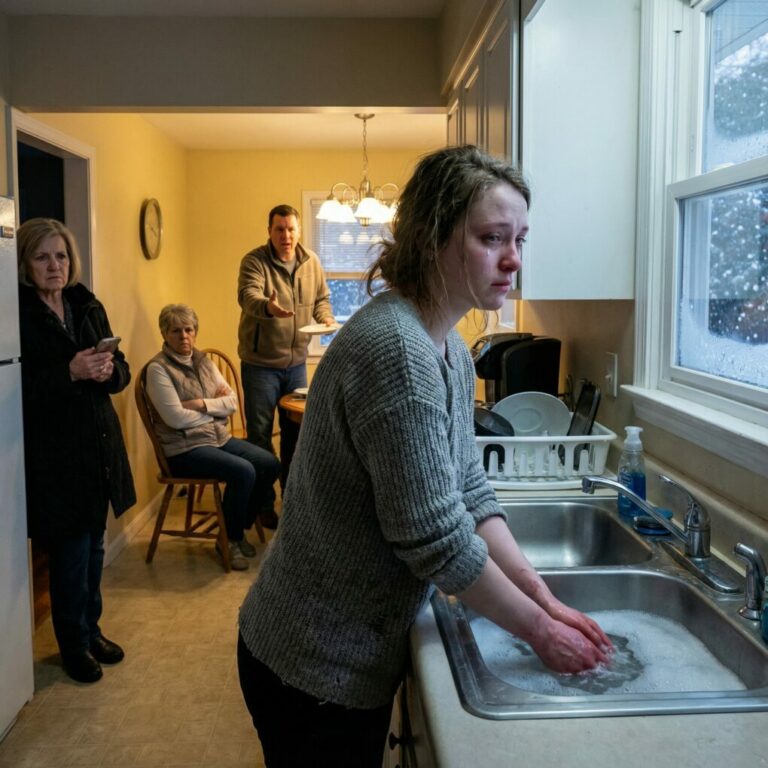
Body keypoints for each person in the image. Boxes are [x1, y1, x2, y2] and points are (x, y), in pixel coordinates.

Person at [237, 146, 613, 767]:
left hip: (336, 653)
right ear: (431, 237)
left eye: (519, 237)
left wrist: (540, 595)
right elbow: (436, 539)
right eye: (493, 237)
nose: (513, 257)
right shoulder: (398, 350)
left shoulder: (449, 352)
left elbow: (470, 492)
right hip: (311, 662)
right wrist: (540, 632)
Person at [17, 218, 136, 685]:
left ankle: (91, 631)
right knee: (69, 554)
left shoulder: (86, 303)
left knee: (94, 550)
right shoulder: (17, 314)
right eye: (42, 257)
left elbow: (122, 372)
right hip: (56, 452)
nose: (54, 265)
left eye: (61, 256)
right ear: (25, 263)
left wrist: (108, 371)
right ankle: (72, 645)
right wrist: (69, 370)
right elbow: (18, 388)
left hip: (99, 445)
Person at [144, 304, 280, 571]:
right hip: (183, 449)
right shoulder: (158, 369)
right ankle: (230, 539)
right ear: (164, 333)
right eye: (176, 331)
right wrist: (215, 411)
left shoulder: (203, 361)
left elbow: (231, 402)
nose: (184, 336)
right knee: (243, 471)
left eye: (189, 330)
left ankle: (235, 525)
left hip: (216, 438)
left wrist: (200, 405)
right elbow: (175, 419)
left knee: (269, 463)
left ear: (195, 332)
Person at [237, 204, 336, 512]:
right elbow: (247, 296)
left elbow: (321, 297)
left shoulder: (311, 262)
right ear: (270, 231)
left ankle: (291, 502)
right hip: (260, 366)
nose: (286, 235)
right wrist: (269, 307)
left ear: (299, 231)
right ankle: (263, 505)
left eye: (291, 229)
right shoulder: (255, 261)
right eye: (279, 229)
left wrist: (326, 317)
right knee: (261, 439)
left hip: (296, 366)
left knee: (296, 434)